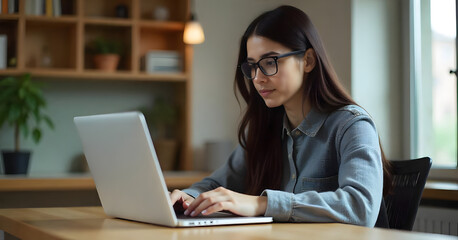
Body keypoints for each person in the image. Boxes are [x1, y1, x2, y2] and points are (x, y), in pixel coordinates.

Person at [170, 5, 391, 227]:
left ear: (308, 61)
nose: (257, 78)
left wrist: (262, 204)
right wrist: (189, 197)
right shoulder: (264, 129)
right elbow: (217, 183)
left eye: (269, 62)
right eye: (252, 66)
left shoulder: (351, 126)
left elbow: (361, 207)